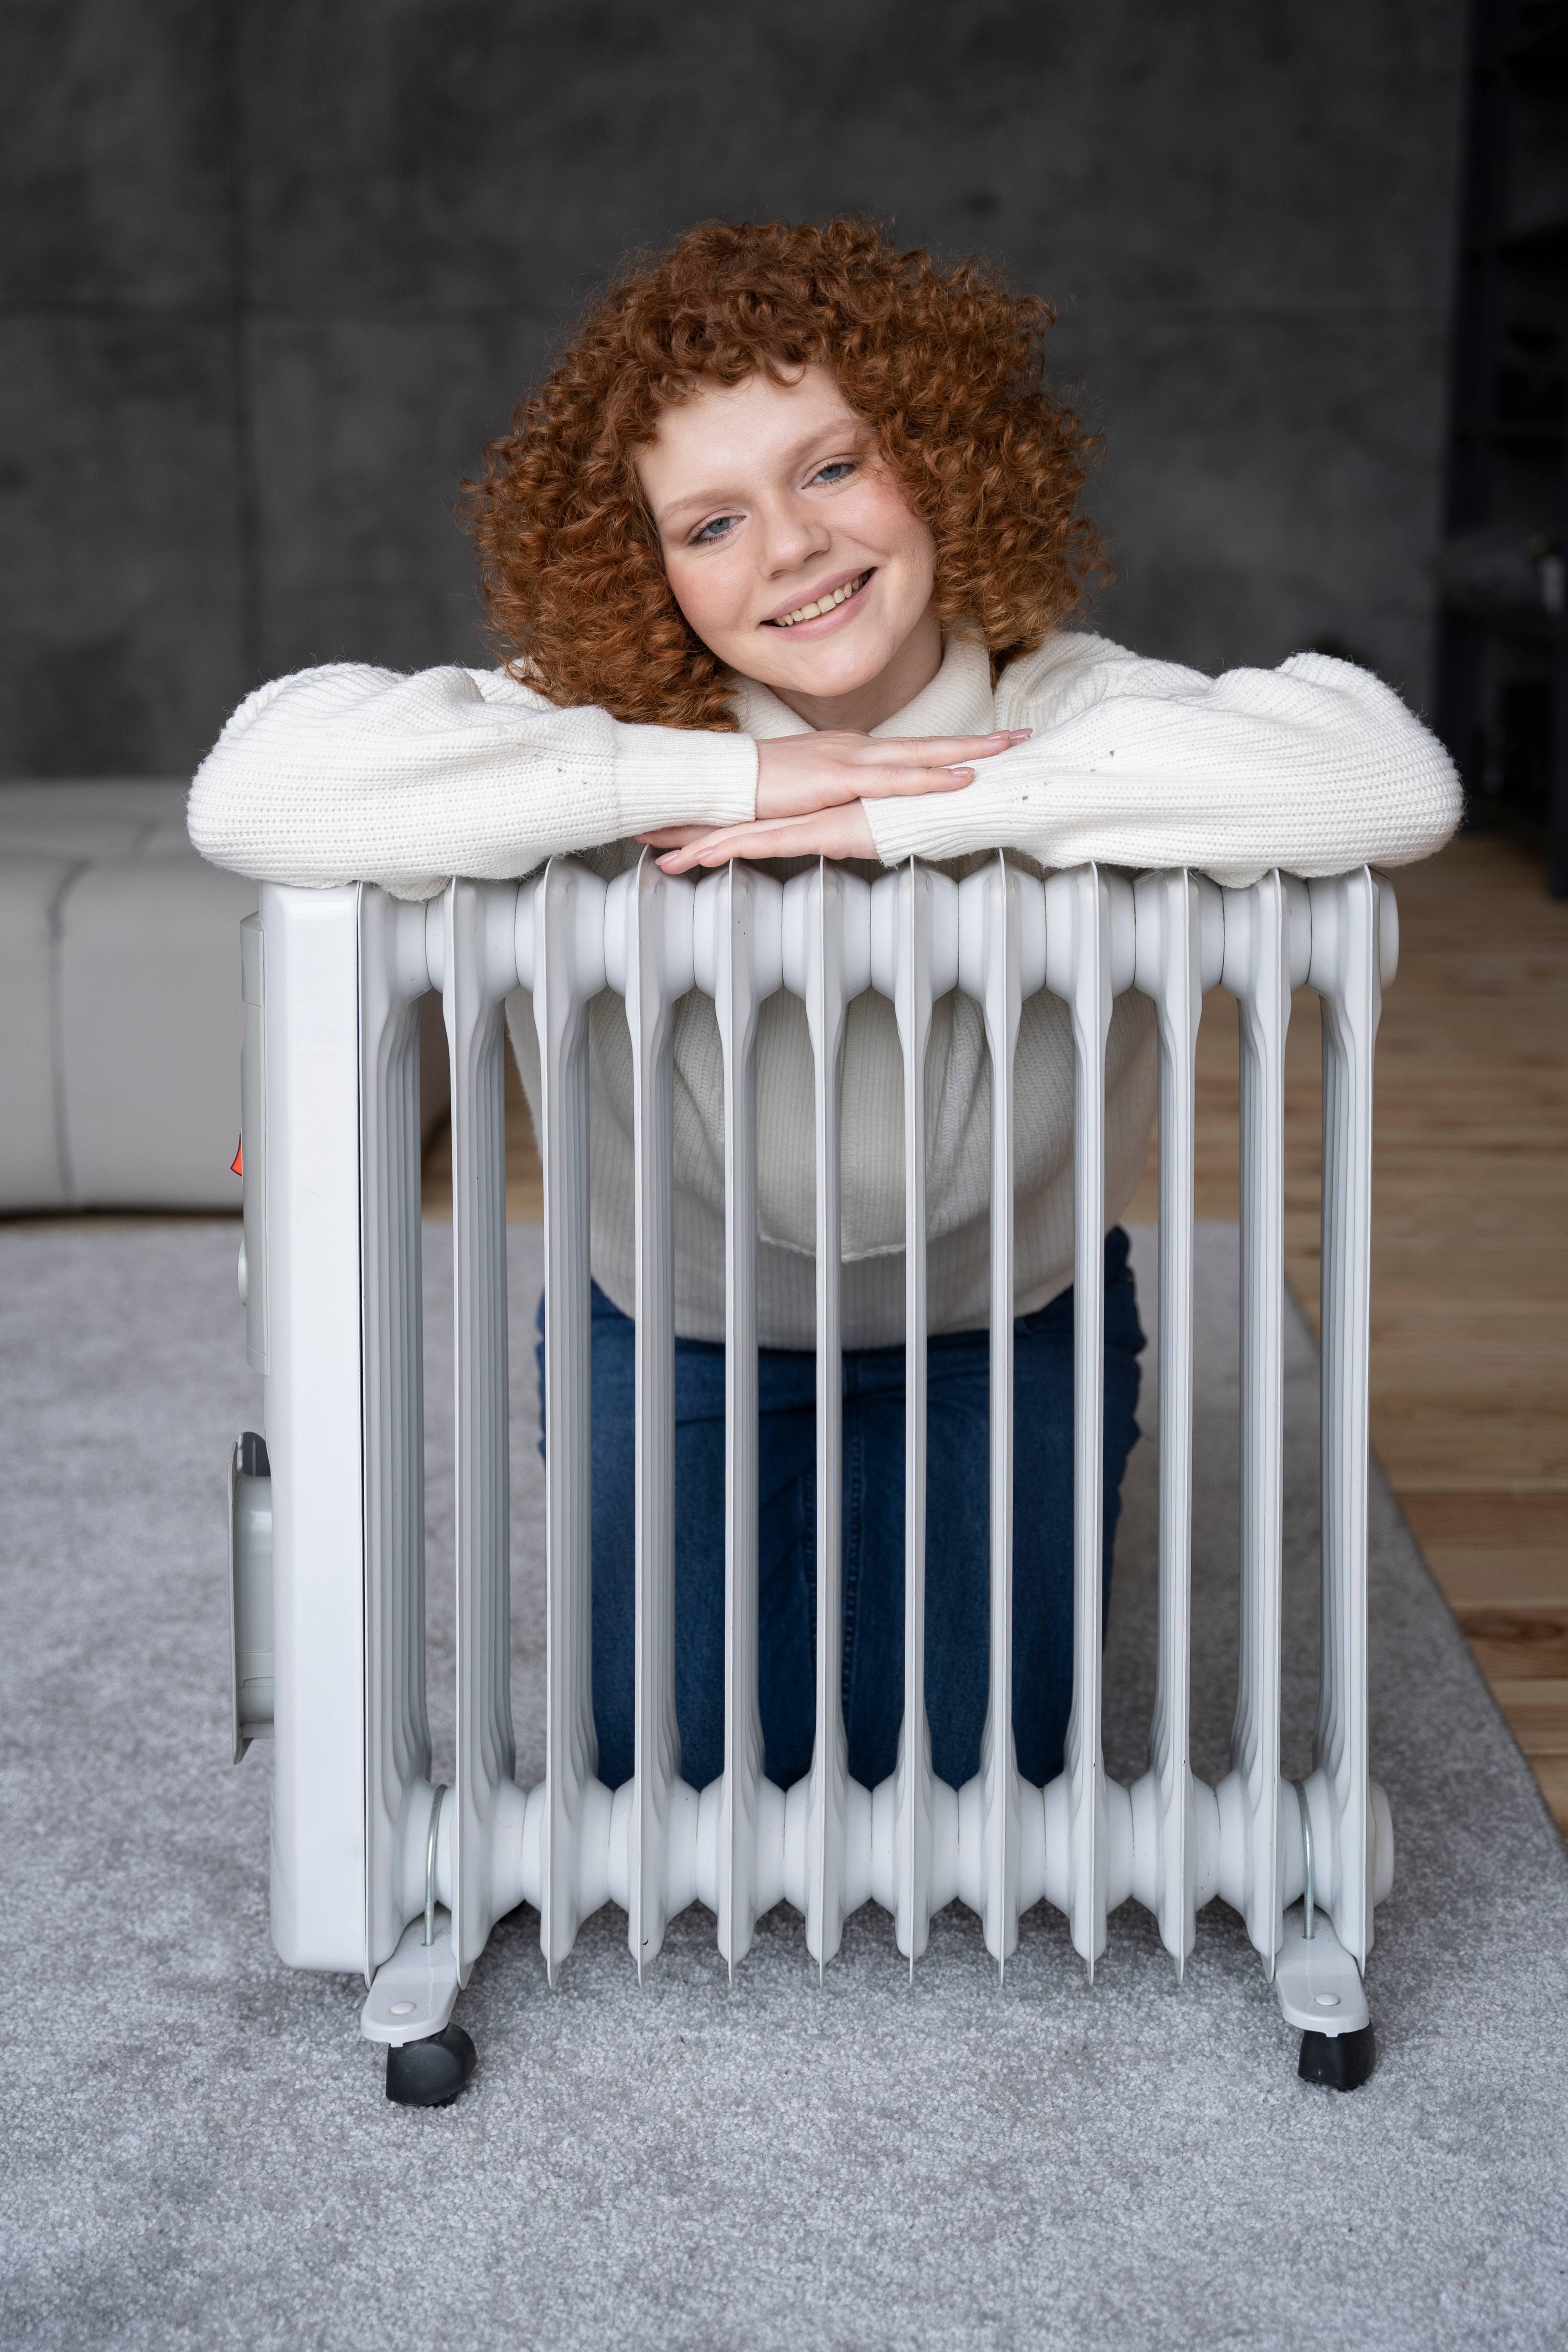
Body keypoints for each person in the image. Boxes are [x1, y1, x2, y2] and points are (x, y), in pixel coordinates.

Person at [189, 216, 1460, 1801]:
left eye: (835, 469)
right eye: (711, 520)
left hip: (1013, 1332)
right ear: (648, 563)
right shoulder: (607, 732)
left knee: (980, 1770)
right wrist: (732, 773)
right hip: (682, 1335)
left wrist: (913, 811)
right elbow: (259, 787)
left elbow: (1390, 778)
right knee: (695, 1768)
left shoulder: (1067, 700)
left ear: (939, 458)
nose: (789, 547)